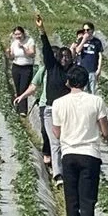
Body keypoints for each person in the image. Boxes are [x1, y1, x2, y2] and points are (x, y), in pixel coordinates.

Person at [51, 66, 108, 216]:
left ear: (68, 82)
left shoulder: (58, 103)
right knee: (87, 198)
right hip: (90, 154)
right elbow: (105, 129)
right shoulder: (96, 101)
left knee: (71, 197)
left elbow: (56, 132)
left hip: (68, 154)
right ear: (86, 82)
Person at [18, 12, 73, 184]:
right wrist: (41, 29)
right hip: (50, 110)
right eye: (62, 56)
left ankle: (67, 168)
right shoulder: (52, 67)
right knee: (55, 141)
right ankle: (58, 174)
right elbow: (47, 49)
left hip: (67, 111)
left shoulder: (73, 72)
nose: (64, 58)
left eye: (67, 56)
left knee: (67, 141)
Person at [7, 25, 37, 114]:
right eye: (16, 34)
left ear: (23, 33)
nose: (17, 36)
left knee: (23, 88)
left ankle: (23, 110)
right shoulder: (14, 43)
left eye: (19, 34)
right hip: (16, 67)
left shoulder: (30, 41)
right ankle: (18, 107)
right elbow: (12, 57)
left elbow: (32, 54)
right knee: (17, 88)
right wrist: (8, 53)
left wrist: (23, 48)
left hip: (26, 68)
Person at [73, 22, 104, 94]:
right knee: (84, 90)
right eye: (84, 30)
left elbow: (100, 55)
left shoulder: (97, 42)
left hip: (92, 70)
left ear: (92, 30)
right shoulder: (81, 40)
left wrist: (99, 69)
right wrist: (84, 40)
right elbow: (77, 50)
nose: (86, 31)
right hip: (82, 70)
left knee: (92, 91)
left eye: (87, 29)